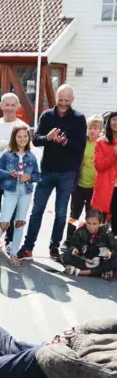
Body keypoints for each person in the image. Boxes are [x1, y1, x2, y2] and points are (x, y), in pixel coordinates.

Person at [18, 85, 87, 261]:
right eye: (60, 100)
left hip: (67, 172)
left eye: (66, 100)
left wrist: (65, 143)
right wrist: (48, 138)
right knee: (37, 210)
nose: (63, 104)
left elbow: (81, 147)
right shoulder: (47, 115)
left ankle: (54, 246)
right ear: (55, 99)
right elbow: (35, 140)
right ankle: (28, 246)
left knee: (61, 213)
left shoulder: (79, 119)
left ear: (72, 99)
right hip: (47, 170)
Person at [0, 124, 41, 266]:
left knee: (19, 223)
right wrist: (9, 174)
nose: (22, 139)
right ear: (14, 138)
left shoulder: (31, 156)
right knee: (4, 223)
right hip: (11, 191)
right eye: (19, 136)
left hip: (25, 192)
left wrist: (29, 177)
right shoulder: (7, 155)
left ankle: (13, 254)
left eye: (25, 136)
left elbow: (38, 175)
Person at [0, 93, 28, 251]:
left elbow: (24, 149)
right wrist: (2, 147)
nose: (9, 108)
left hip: (14, 175)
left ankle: (10, 241)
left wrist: (5, 149)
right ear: (1, 105)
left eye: (13, 105)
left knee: (13, 209)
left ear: (17, 107)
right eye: (6, 104)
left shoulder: (22, 126)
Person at [64, 115, 102, 246]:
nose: (92, 131)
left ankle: (87, 241)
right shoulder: (82, 143)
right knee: (74, 214)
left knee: (91, 216)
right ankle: (69, 239)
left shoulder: (102, 144)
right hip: (79, 186)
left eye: (95, 128)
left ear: (100, 130)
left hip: (94, 188)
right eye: (90, 128)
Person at [61, 209, 117, 279]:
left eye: (94, 224)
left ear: (100, 223)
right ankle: (101, 272)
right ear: (85, 222)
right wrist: (74, 249)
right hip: (84, 260)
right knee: (66, 256)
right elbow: (73, 245)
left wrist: (111, 253)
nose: (91, 226)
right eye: (88, 223)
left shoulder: (107, 233)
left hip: (100, 261)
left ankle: (83, 272)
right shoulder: (80, 231)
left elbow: (115, 249)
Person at [90, 111, 117, 234]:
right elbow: (98, 165)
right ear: (109, 122)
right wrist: (113, 154)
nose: (116, 123)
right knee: (100, 224)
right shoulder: (101, 142)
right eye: (114, 119)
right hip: (105, 188)